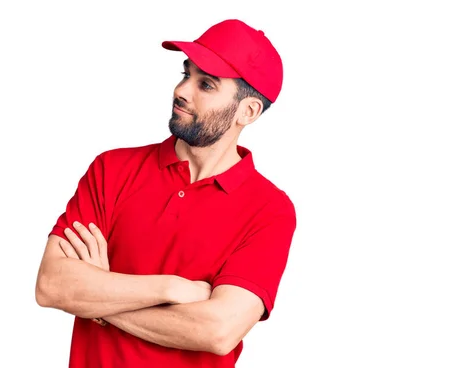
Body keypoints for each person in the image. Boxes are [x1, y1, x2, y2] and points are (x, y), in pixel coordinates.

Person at [35, 19, 297, 368]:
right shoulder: (112, 170)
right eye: (185, 74)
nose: (183, 91)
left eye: (206, 84)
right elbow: (52, 286)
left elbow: (218, 331)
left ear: (248, 112)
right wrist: (170, 289)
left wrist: (100, 301)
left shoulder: (269, 210)